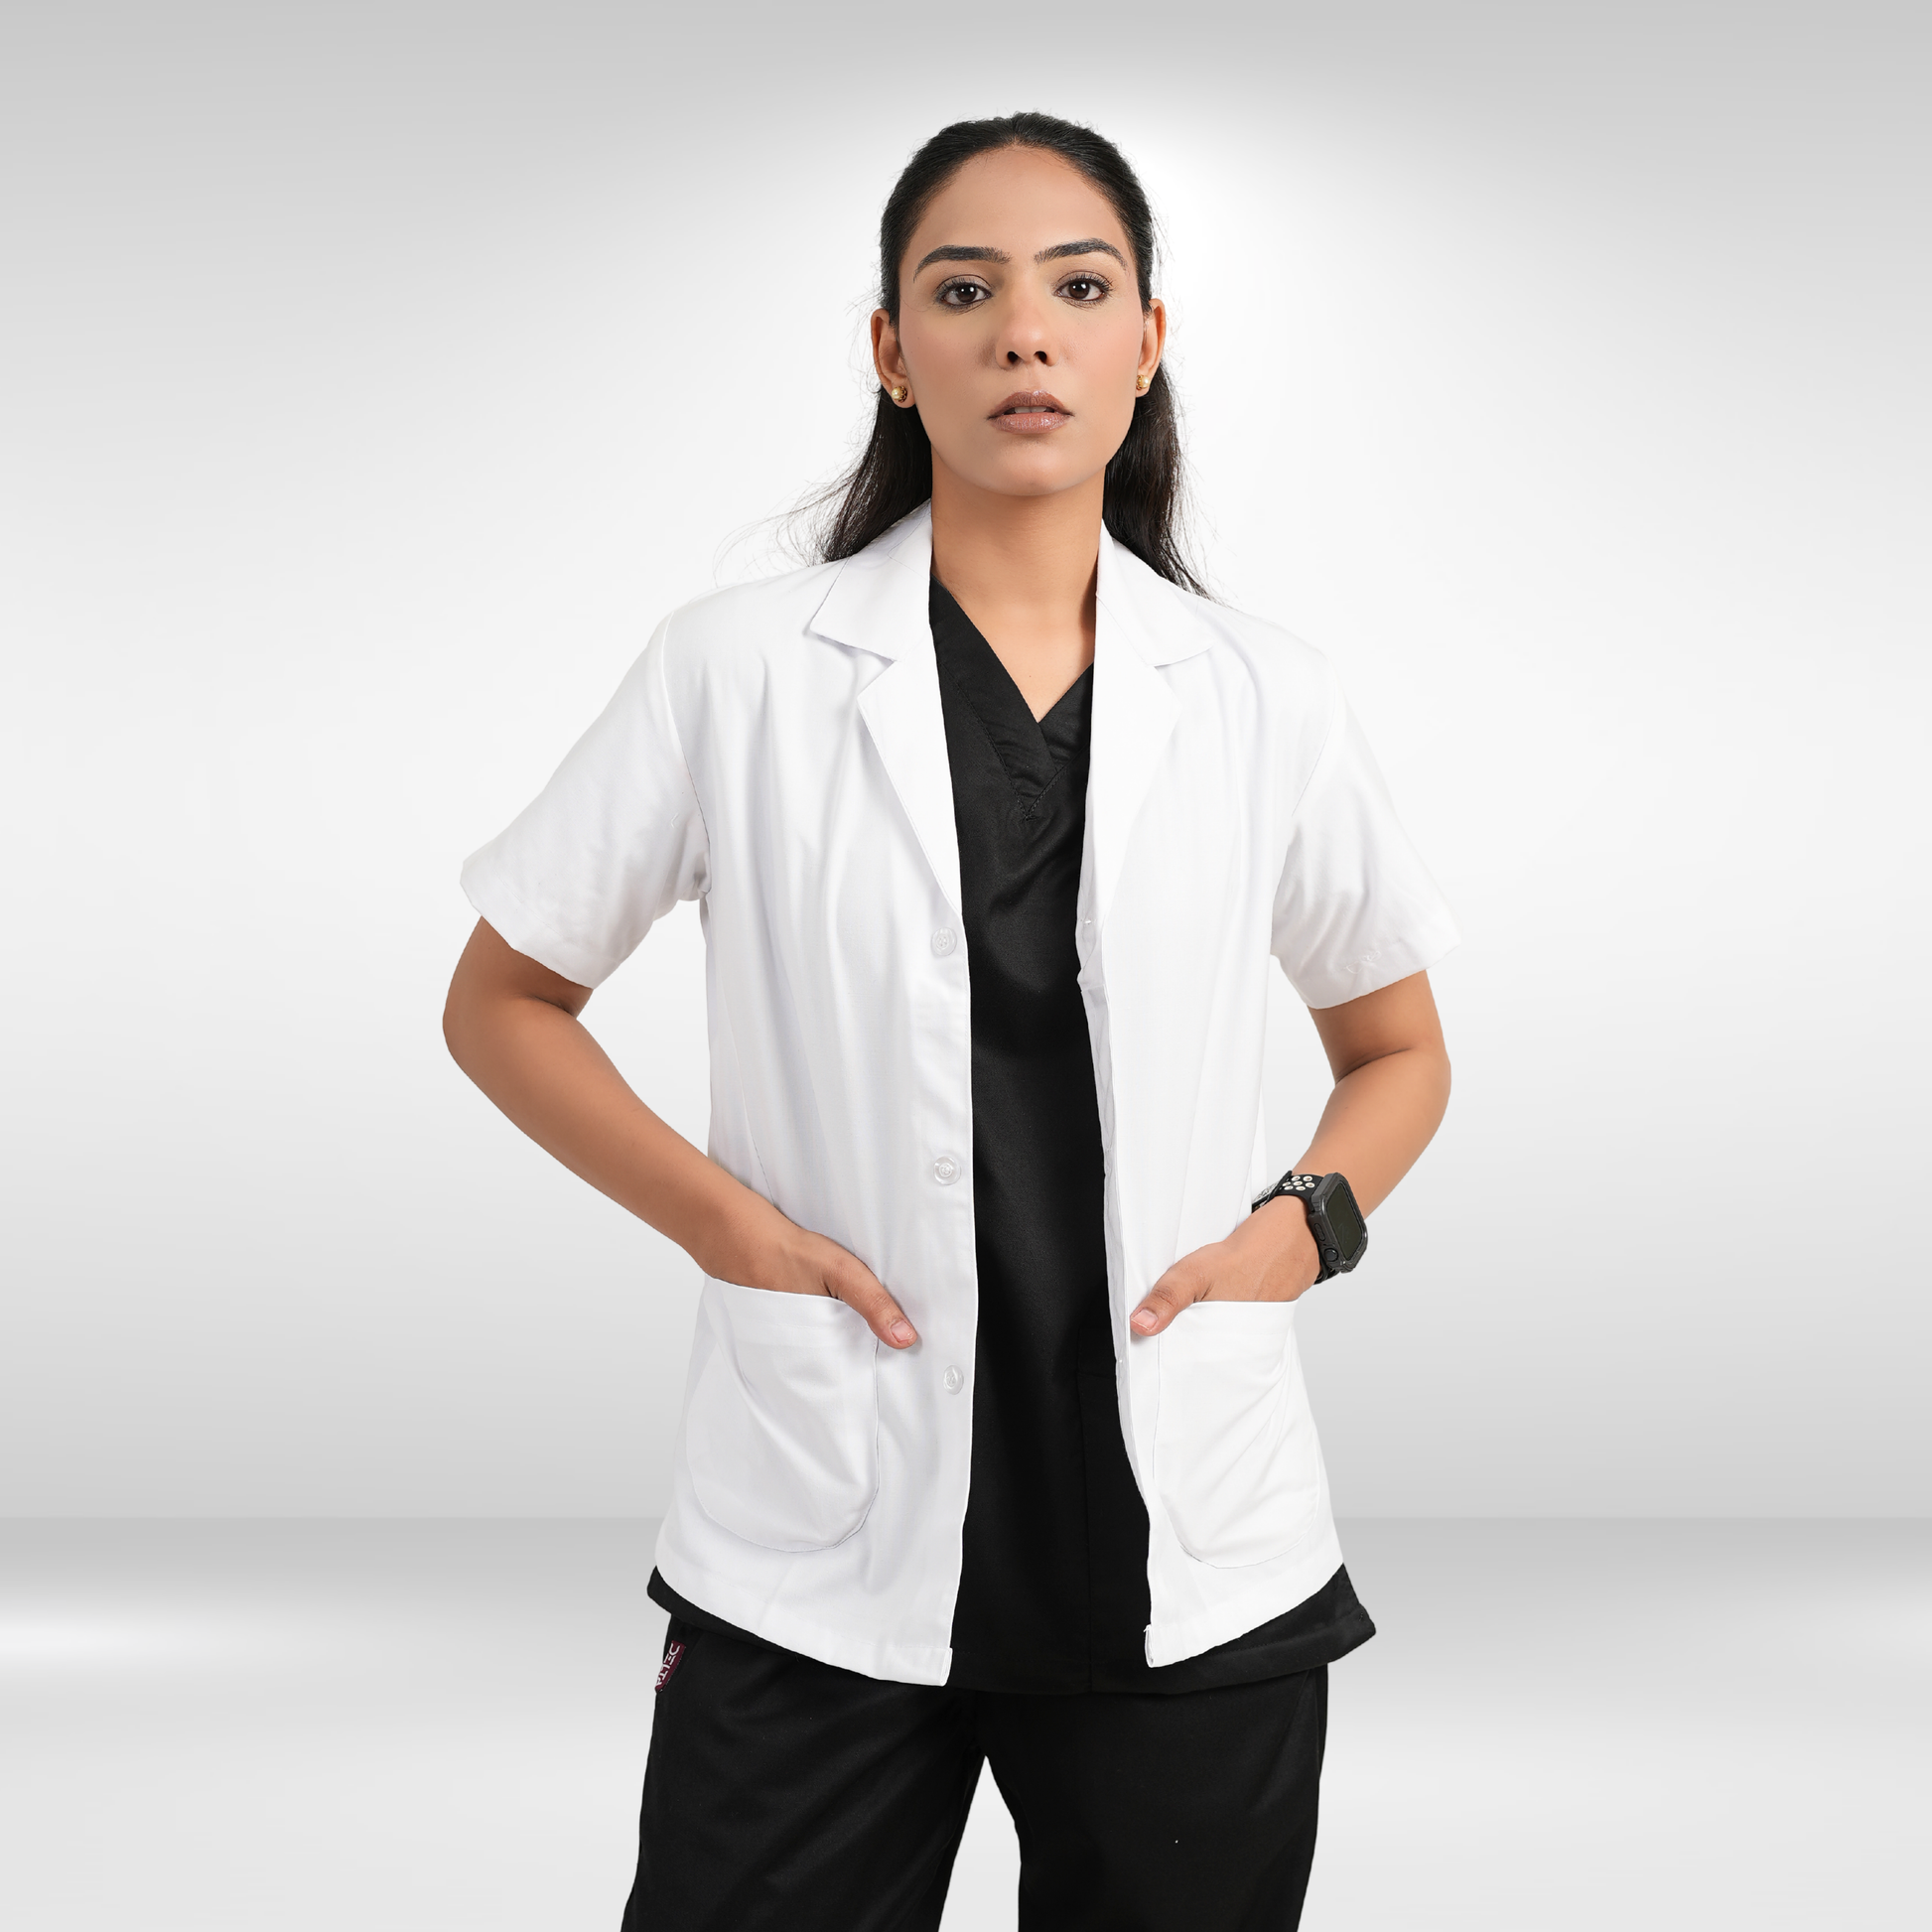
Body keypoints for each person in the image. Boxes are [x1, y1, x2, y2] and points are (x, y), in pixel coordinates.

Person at [444, 111, 1456, 1932]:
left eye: (1079, 288)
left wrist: (1299, 1232)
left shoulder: (1261, 695)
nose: (1024, 334)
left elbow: (1396, 1046)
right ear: (892, 351)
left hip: (1184, 1530)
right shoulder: (736, 669)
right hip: (820, 1522)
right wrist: (729, 1228)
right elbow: (507, 1000)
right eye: (964, 291)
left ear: (1146, 344)